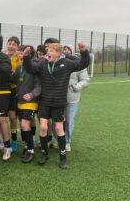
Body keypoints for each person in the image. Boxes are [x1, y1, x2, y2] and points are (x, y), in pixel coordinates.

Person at [22, 42, 90, 170]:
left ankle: (63, 157)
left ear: (59, 53)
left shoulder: (67, 64)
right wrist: (26, 57)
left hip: (59, 103)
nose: (49, 53)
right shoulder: (43, 63)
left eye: (52, 51)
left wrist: (84, 51)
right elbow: (30, 68)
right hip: (45, 102)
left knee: (59, 128)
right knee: (43, 127)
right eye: (48, 51)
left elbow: (83, 63)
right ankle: (44, 153)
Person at [11, 45, 41, 163]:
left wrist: (32, 95)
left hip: (31, 102)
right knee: (23, 125)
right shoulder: (19, 67)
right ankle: (27, 146)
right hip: (20, 101)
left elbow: (39, 86)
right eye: (19, 53)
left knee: (24, 124)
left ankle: (31, 150)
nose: (19, 55)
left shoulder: (35, 67)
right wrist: (11, 74)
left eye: (21, 53)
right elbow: (15, 81)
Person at [63, 44, 90, 152]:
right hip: (58, 98)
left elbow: (86, 81)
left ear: (72, 51)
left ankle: (67, 141)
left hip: (72, 98)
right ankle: (58, 139)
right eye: (64, 49)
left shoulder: (78, 64)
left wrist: (75, 87)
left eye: (68, 49)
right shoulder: (60, 62)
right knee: (58, 121)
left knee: (69, 121)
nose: (66, 50)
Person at [5, 36, 21, 153]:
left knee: (12, 117)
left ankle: (14, 141)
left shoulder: (19, 58)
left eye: (14, 44)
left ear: (17, 47)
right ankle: (1, 139)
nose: (11, 46)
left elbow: (20, 74)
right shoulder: (2, 56)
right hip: (1, 89)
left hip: (14, 91)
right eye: (9, 43)